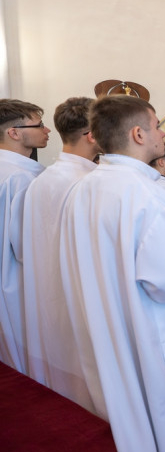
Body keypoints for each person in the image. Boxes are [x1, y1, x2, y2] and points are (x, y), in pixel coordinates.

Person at [58, 95, 165, 452]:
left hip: (106, 326)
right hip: (154, 329)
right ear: (137, 134)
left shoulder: (83, 188)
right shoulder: (147, 193)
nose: (162, 133)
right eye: (155, 126)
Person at [22, 97, 98, 408]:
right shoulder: (88, 183)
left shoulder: (43, 178)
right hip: (83, 297)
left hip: (47, 293)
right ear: (92, 134)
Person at [0, 99, 49, 372]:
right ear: (14, 133)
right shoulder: (19, 178)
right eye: (39, 125)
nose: (47, 130)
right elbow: (27, 246)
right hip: (15, 282)